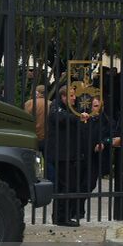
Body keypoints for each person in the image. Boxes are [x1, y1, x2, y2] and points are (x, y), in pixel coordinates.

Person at [46, 86, 90, 226]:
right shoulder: (56, 106)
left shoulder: (70, 108)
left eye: (74, 95)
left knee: (66, 185)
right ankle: (62, 218)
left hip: (70, 154)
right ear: (63, 97)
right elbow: (61, 118)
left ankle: (62, 216)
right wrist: (78, 116)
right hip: (61, 154)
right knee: (66, 185)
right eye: (71, 96)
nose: (74, 98)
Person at [23, 84, 48, 151]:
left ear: (37, 93)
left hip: (33, 135)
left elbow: (25, 119)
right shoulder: (51, 104)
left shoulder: (29, 103)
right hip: (46, 136)